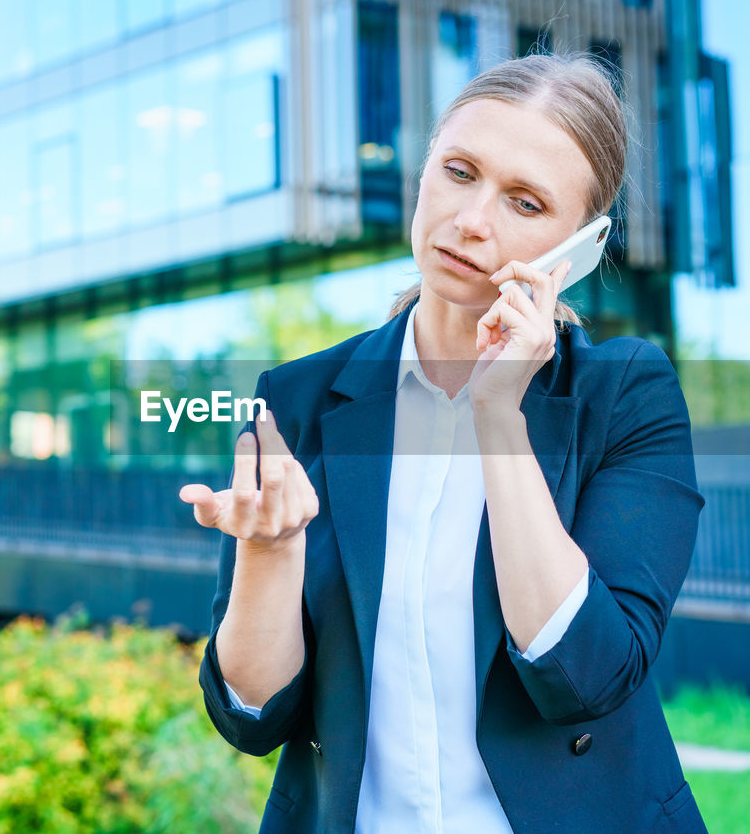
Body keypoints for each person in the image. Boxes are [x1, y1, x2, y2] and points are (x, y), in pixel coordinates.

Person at [179, 52, 707, 834]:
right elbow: (253, 719)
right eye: (460, 172)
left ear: (581, 247)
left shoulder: (626, 394)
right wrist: (270, 550)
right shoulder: (298, 399)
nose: (473, 221)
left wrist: (499, 413)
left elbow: (588, 674)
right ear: (425, 172)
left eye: (525, 202)